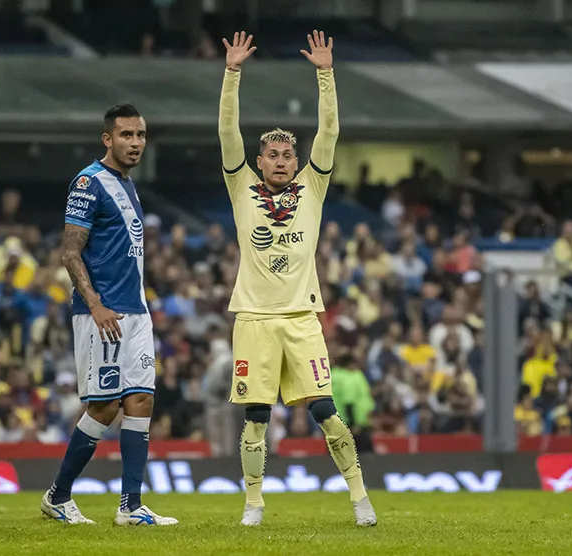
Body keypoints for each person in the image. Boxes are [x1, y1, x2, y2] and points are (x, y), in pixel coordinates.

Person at [218, 31, 376, 527]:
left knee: (326, 410)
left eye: (289, 155)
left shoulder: (314, 184)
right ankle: (253, 505)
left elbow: (328, 132)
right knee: (256, 419)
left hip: (302, 315)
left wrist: (325, 76)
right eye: (274, 156)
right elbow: (227, 131)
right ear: (259, 161)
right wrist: (232, 73)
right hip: (253, 317)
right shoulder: (240, 185)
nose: (283, 162)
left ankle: (359, 497)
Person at [40, 104, 177, 526]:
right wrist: (96, 304)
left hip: (136, 310)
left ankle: (131, 506)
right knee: (104, 406)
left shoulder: (128, 184)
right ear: (108, 139)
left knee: (141, 400)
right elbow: (70, 250)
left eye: (140, 135)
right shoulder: (89, 182)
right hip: (103, 312)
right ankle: (58, 496)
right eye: (126, 135)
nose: (135, 143)